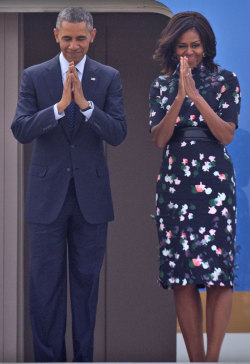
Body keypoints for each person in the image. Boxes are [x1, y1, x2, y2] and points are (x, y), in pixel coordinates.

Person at [11, 7, 126, 362]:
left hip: (91, 202)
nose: (73, 46)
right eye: (66, 38)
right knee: (44, 291)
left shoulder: (108, 77)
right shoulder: (35, 75)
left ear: (92, 36)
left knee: (86, 290)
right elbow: (21, 129)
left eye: (80, 38)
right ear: (55, 35)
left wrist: (86, 106)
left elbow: (118, 133)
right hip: (47, 201)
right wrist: (60, 106)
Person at [149, 11, 240, 362]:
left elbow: (226, 134)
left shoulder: (226, 80)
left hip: (214, 181)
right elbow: (158, 139)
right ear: (173, 49)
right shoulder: (160, 85)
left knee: (219, 274)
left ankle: (213, 358)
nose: (189, 53)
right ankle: (196, 359)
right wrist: (178, 96)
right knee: (181, 275)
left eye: (195, 46)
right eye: (182, 47)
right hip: (175, 182)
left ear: (207, 46)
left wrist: (197, 96)